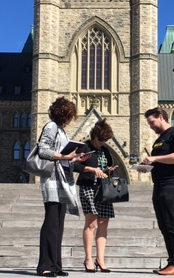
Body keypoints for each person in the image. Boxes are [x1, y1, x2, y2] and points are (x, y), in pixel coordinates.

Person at [36, 97, 89, 277]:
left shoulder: (61, 131)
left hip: (62, 181)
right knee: (51, 224)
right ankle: (45, 265)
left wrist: (75, 159)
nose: (70, 120)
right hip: (52, 181)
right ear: (64, 114)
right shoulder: (51, 127)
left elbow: (64, 158)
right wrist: (64, 157)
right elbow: (42, 150)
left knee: (58, 224)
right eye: (70, 116)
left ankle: (55, 265)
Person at [140, 107, 174, 276]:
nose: (150, 126)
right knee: (164, 225)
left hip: (173, 185)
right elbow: (161, 161)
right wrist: (147, 167)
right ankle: (172, 263)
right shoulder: (159, 140)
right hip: (159, 185)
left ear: (160, 117)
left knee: (172, 224)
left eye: (152, 122)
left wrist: (155, 158)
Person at [75, 119, 118, 273]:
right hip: (88, 186)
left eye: (105, 140)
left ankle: (100, 259)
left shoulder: (105, 150)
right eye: (100, 140)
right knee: (91, 223)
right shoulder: (85, 147)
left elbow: (105, 169)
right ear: (94, 136)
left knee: (103, 222)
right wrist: (91, 169)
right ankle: (88, 259)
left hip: (103, 189)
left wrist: (109, 169)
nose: (102, 143)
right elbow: (75, 165)